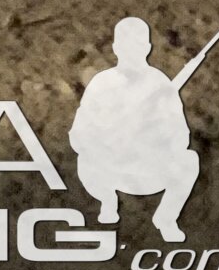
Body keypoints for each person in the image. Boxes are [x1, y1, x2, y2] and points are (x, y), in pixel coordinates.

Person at [69, 16, 202, 241]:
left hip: (148, 168)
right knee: (84, 160)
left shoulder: (161, 85)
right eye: (126, 45)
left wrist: (151, 138)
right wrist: (106, 140)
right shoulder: (102, 83)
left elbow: (181, 136)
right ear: (116, 48)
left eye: (138, 44)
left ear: (147, 48)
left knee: (189, 161)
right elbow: (78, 133)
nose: (132, 51)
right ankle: (107, 201)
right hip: (108, 168)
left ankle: (166, 218)